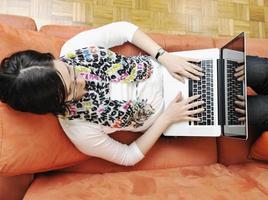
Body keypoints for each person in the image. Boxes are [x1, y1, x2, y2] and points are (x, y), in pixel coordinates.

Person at [0, 21, 204, 166]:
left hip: (168, 67)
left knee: (230, 67)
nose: (81, 79)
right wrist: (168, 118)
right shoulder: (79, 130)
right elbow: (128, 157)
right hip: (173, 113)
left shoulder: (74, 49)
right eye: (71, 89)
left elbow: (124, 29)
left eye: (69, 70)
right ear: (55, 104)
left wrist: (164, 56)